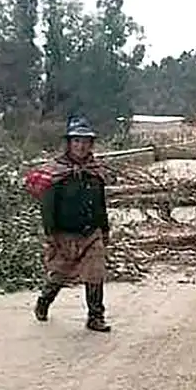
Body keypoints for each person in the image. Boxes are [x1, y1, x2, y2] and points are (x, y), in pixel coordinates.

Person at [33, 115, 112, 332]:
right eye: (76, 141)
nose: (81, 146)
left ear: (91, 145)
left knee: (95, 274)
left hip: (91, 232)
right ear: (69, 144)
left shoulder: (95, 173)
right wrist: (50, 233)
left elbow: (100, 203)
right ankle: (44, 301)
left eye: (85, 142)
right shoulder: (56, 172)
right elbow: (47, 206)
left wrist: (104, 230)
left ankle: (95, 317)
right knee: (59, 274)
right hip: (64, 234)